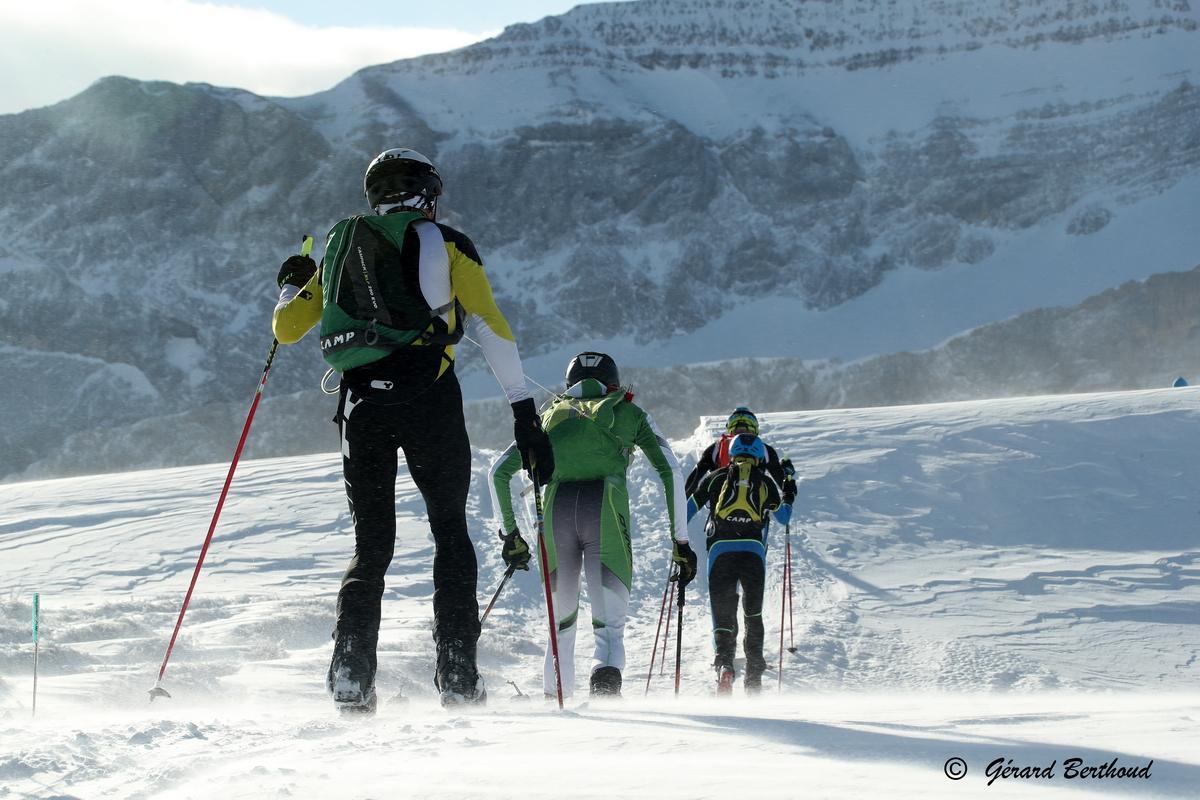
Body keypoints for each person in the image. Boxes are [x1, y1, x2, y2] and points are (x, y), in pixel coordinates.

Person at [272, 147, 553, 713]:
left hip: (362, 406)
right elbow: (490, 326)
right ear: (429, 195)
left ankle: (351, 672)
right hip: (430, 399)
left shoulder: (340, 247)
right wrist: (524, 413)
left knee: (371, 545)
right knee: (450, 532)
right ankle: (457, 673)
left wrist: (292, 284)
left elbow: (287, 328)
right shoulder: (446, 243)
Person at [489, 352, 696, 699]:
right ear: (612, 383)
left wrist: (511, 536)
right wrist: (681, 542)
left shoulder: (549, 415)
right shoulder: (630, 412)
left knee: (560, 627)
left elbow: (498, 472)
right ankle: (605, 695)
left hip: (555, 515)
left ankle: (554, 705)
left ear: (570, 384)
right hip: (605, 511)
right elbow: (671, 471)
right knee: (609, 628)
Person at [686, 433, 795, 694]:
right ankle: (754, 676)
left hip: (720, 552)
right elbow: (783, 517)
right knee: (753, 614)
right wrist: (789, 489)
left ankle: (725, 664)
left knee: (722, 613)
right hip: (753, 553)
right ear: (759, 457)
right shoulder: (765, 482)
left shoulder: (716, 478)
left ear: (732, 454)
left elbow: (687, 511)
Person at [684, 407, 789, 497]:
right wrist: (788, 474)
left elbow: (694, 479)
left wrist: (684, 502)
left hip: (721, 504)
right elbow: (783, 484)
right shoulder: (765, 450)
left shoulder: (716, 448)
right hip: (756, 504)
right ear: (755, 430)